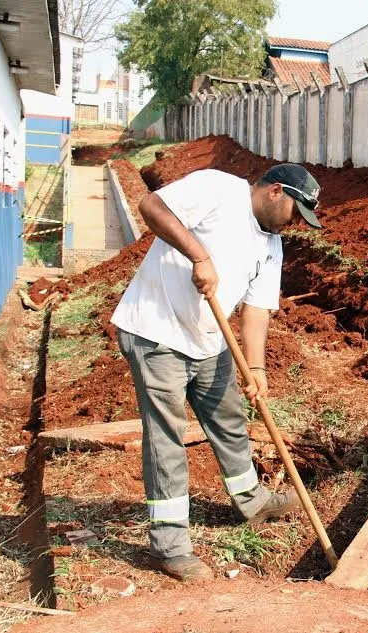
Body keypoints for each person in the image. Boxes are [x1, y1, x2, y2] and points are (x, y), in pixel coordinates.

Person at [112, 163, 323, 581]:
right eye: (295, 213)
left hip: (208, 341)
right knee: (167, 435)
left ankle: (252, 500)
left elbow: (257, 309)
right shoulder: (218, 189)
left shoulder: (272, 245)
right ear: (276, 191)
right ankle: (170, 546)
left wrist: (257, 366)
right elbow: (150, 205)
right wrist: (199, 255)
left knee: (229, 420)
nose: (294, 224)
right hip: (158, 331)